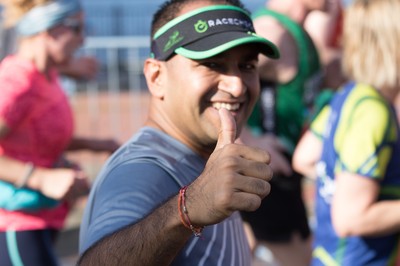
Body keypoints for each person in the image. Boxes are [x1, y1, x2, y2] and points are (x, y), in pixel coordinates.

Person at [78, 0, 278, 264]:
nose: (238, 86)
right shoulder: (143, 170)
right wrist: (187, 210)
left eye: (247, 66)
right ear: (156, 77)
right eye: (213, 64)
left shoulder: (204, 160)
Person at [0, 0, 119, 265]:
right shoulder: (17, 83)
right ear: (48, 30)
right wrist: (42, 179)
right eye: (77, 28)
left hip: (41, 219)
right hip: (14, 224)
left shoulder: (46, 75)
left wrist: (98, 144)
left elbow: (35, 138)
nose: (83, 38)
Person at [292, 0, 400, 264]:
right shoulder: (373, 113)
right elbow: (350, 219)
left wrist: (346, 185)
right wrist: (351, 195)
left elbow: (304, 157)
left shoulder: (350, 94)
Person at [239, 0, 332, 265]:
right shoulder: (271, 32)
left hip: (283, 173)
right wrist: (249, 139)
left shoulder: (300, 30)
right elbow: (215, 82)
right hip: (265, 175)